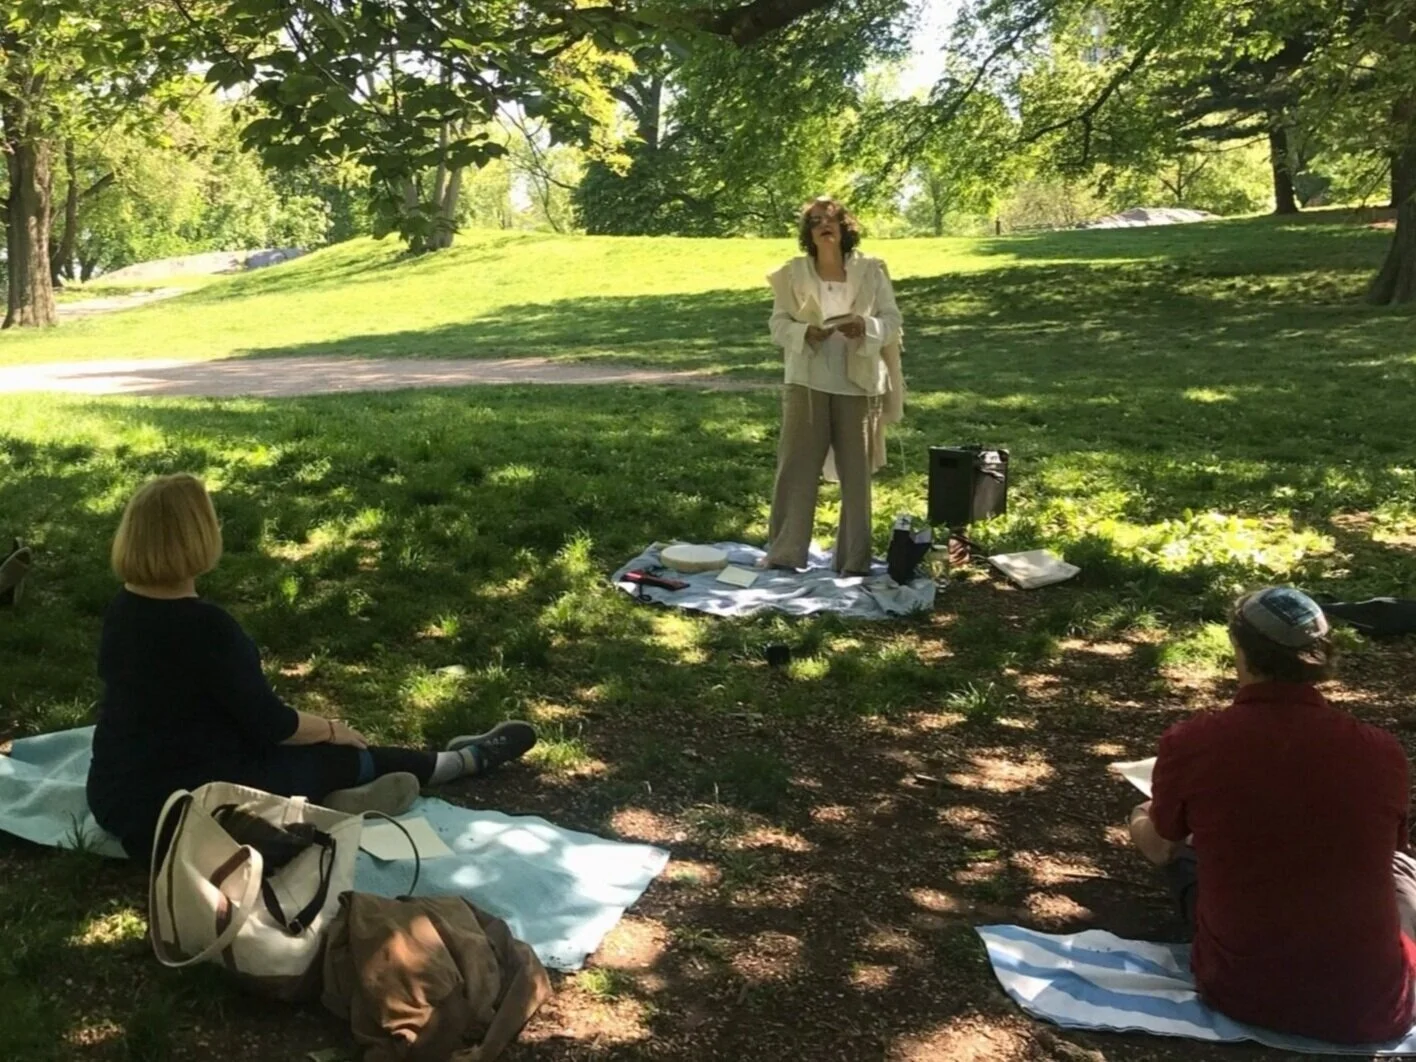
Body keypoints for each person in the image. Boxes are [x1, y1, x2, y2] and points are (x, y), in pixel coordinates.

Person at [86, 474, 537, 859]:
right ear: (199, 536)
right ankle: (459, 762)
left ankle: (337, 803)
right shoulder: (208, 627)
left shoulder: (122, 609)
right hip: (185, 806)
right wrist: (331, 729)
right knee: (344, 756)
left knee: (288, 760)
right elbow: (271, 724)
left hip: (112, 797)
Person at [1127, 587, 1416, 1043]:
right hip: (1373, 1006)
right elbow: (1390, 850)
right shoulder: (1382, 752)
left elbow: (1161, 848)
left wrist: (1139, 816)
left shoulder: (1196, 741)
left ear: (1238, 647)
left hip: (1243, 992)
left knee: (1186, 857)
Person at [761, 196, 904, 576]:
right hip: (806, 380)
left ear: (844, 226)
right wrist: (803, 332)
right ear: (808, 233)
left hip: (858, 382)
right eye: (814, 221)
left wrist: (866, 326)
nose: (823, 225)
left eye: (830, 219)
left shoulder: (871, 270)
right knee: (796, 469)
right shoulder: (791, 273)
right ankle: (784, 553)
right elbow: (777, 325)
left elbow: (892, 320)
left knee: (856, 475)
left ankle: (854, 561)